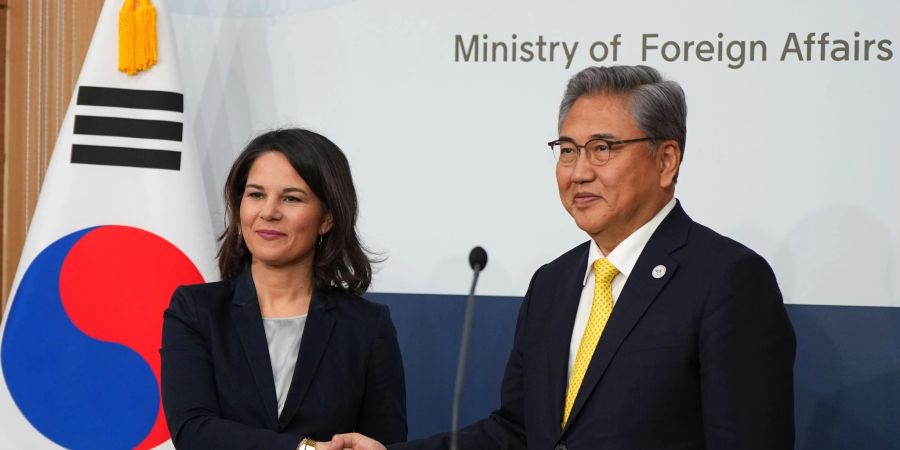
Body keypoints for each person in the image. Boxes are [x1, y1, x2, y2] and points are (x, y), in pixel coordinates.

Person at [330, 65, 796, 450]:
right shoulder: (553, 283)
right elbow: (516, 432)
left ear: (666, 160)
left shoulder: (728, 279)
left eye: (602, 148)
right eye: (568, 151)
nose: (578, 172)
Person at [161, 128, 407, 450]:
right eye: (256, 195)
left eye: (291, 198)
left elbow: (382, 443)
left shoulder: (366, 326)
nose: (269, 212)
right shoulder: (196, 310)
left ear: (327, 219)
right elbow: (194, 431)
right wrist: (306, 449)